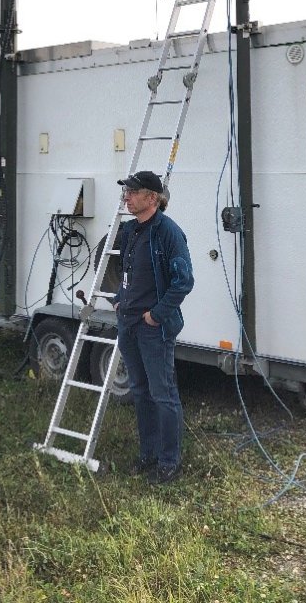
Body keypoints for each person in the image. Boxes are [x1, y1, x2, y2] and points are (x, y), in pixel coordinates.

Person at [112, 170, 194, 485]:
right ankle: (148, 455)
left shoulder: (169, 232)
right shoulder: (131, 230)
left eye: (133, 192)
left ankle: (169, 462)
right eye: (126, 192)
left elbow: (183, 281)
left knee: (163, 394)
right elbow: (127, 273)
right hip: (129, 324)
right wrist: (120, 300)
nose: (126, 197)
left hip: (153, 329)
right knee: (140, 392)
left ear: (152, 198)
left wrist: (156, 315)